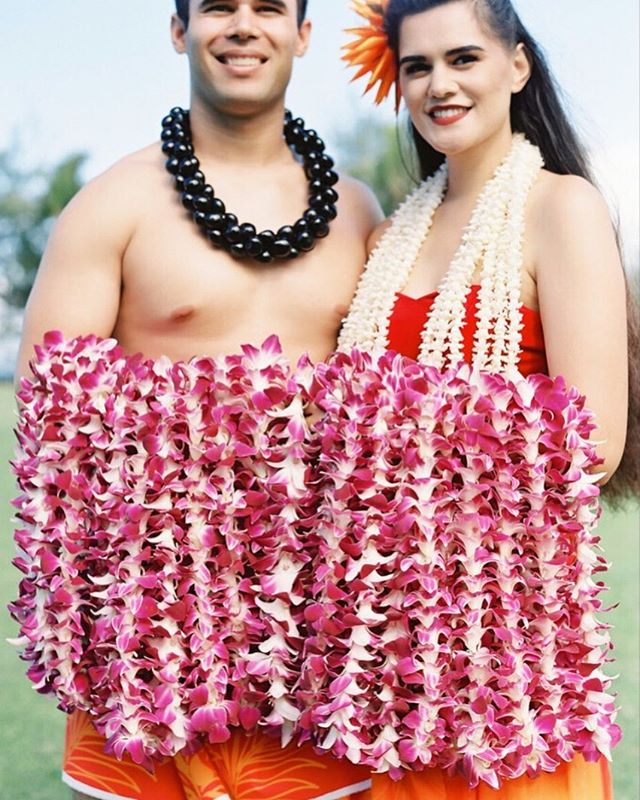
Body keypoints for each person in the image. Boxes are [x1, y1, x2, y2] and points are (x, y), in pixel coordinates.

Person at [16, 1, 382, 798]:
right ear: (179, 31)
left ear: (303, 35)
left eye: (268, 8)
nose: (243, 26)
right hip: (149, 665)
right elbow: (52, 418)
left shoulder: (358, 212)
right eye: (219, 7)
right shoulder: (112, 204)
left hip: (312, 665)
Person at [337, 0, 639, 797]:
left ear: (517, 65)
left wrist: (398, 447)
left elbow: (594, 441)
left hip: (512, 655)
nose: (440, 84)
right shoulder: (386, 239)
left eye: (463, 58)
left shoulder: (560, 207)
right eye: (417, 67)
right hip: (388, 662)